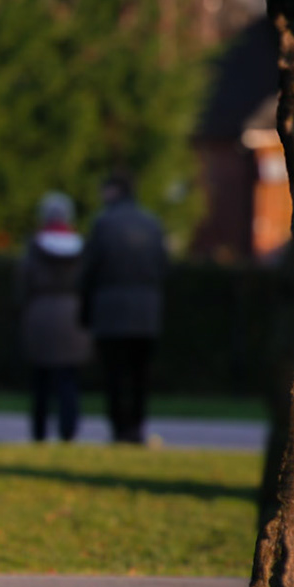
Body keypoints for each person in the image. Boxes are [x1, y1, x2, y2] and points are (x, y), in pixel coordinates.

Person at [81, 173, 168, 444]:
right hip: (146, 310)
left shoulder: (104, 223)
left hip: (111, 310)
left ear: (115, 190)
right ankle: (137, 427)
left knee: (114, 374)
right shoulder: (152, 223)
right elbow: (164, 267)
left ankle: (119, 429)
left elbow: (89, 270)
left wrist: (85, 311)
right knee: (140, 375)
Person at [17, 192, 91, 442]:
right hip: (73, 316)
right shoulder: (81, 247)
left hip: (41, 314)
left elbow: (22, 283)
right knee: (68, 380)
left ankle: (39, 433)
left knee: (41, 381)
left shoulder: (35, 246)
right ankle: (68, 431)